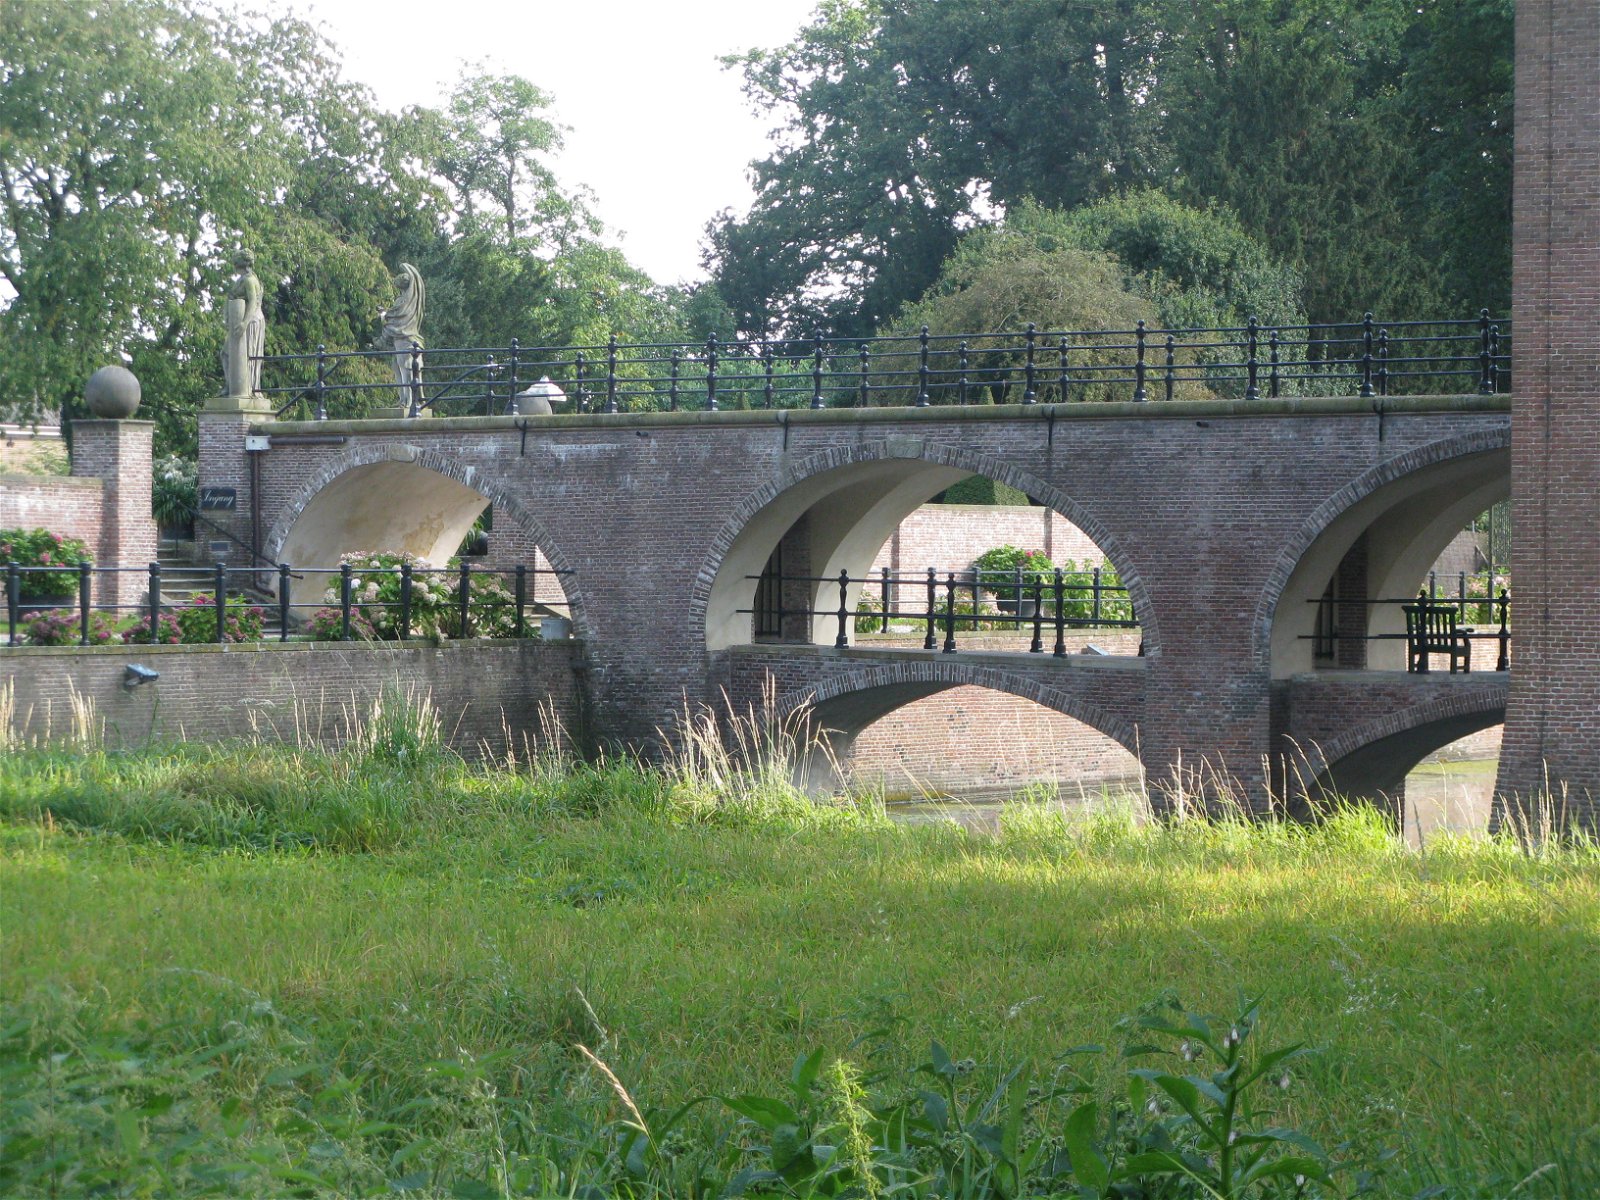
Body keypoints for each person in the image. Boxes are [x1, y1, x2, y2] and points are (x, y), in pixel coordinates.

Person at [380, 263, 426, 409]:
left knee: (406, 369)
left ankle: (408, 401)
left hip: (404, 339)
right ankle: (406, 399)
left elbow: (393, 316)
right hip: (410, 340)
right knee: (400, 368)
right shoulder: (413, 302)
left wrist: (383, 314)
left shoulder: (403, 302)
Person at [222, 249, 265, 397]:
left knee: (248, 356)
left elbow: (253, 302)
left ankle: (247, 388)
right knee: (225, 353)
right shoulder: (242, 279)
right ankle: (230, 386)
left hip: (250, 321)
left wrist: (244, 323)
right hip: (240, 320)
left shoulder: (249, 280)